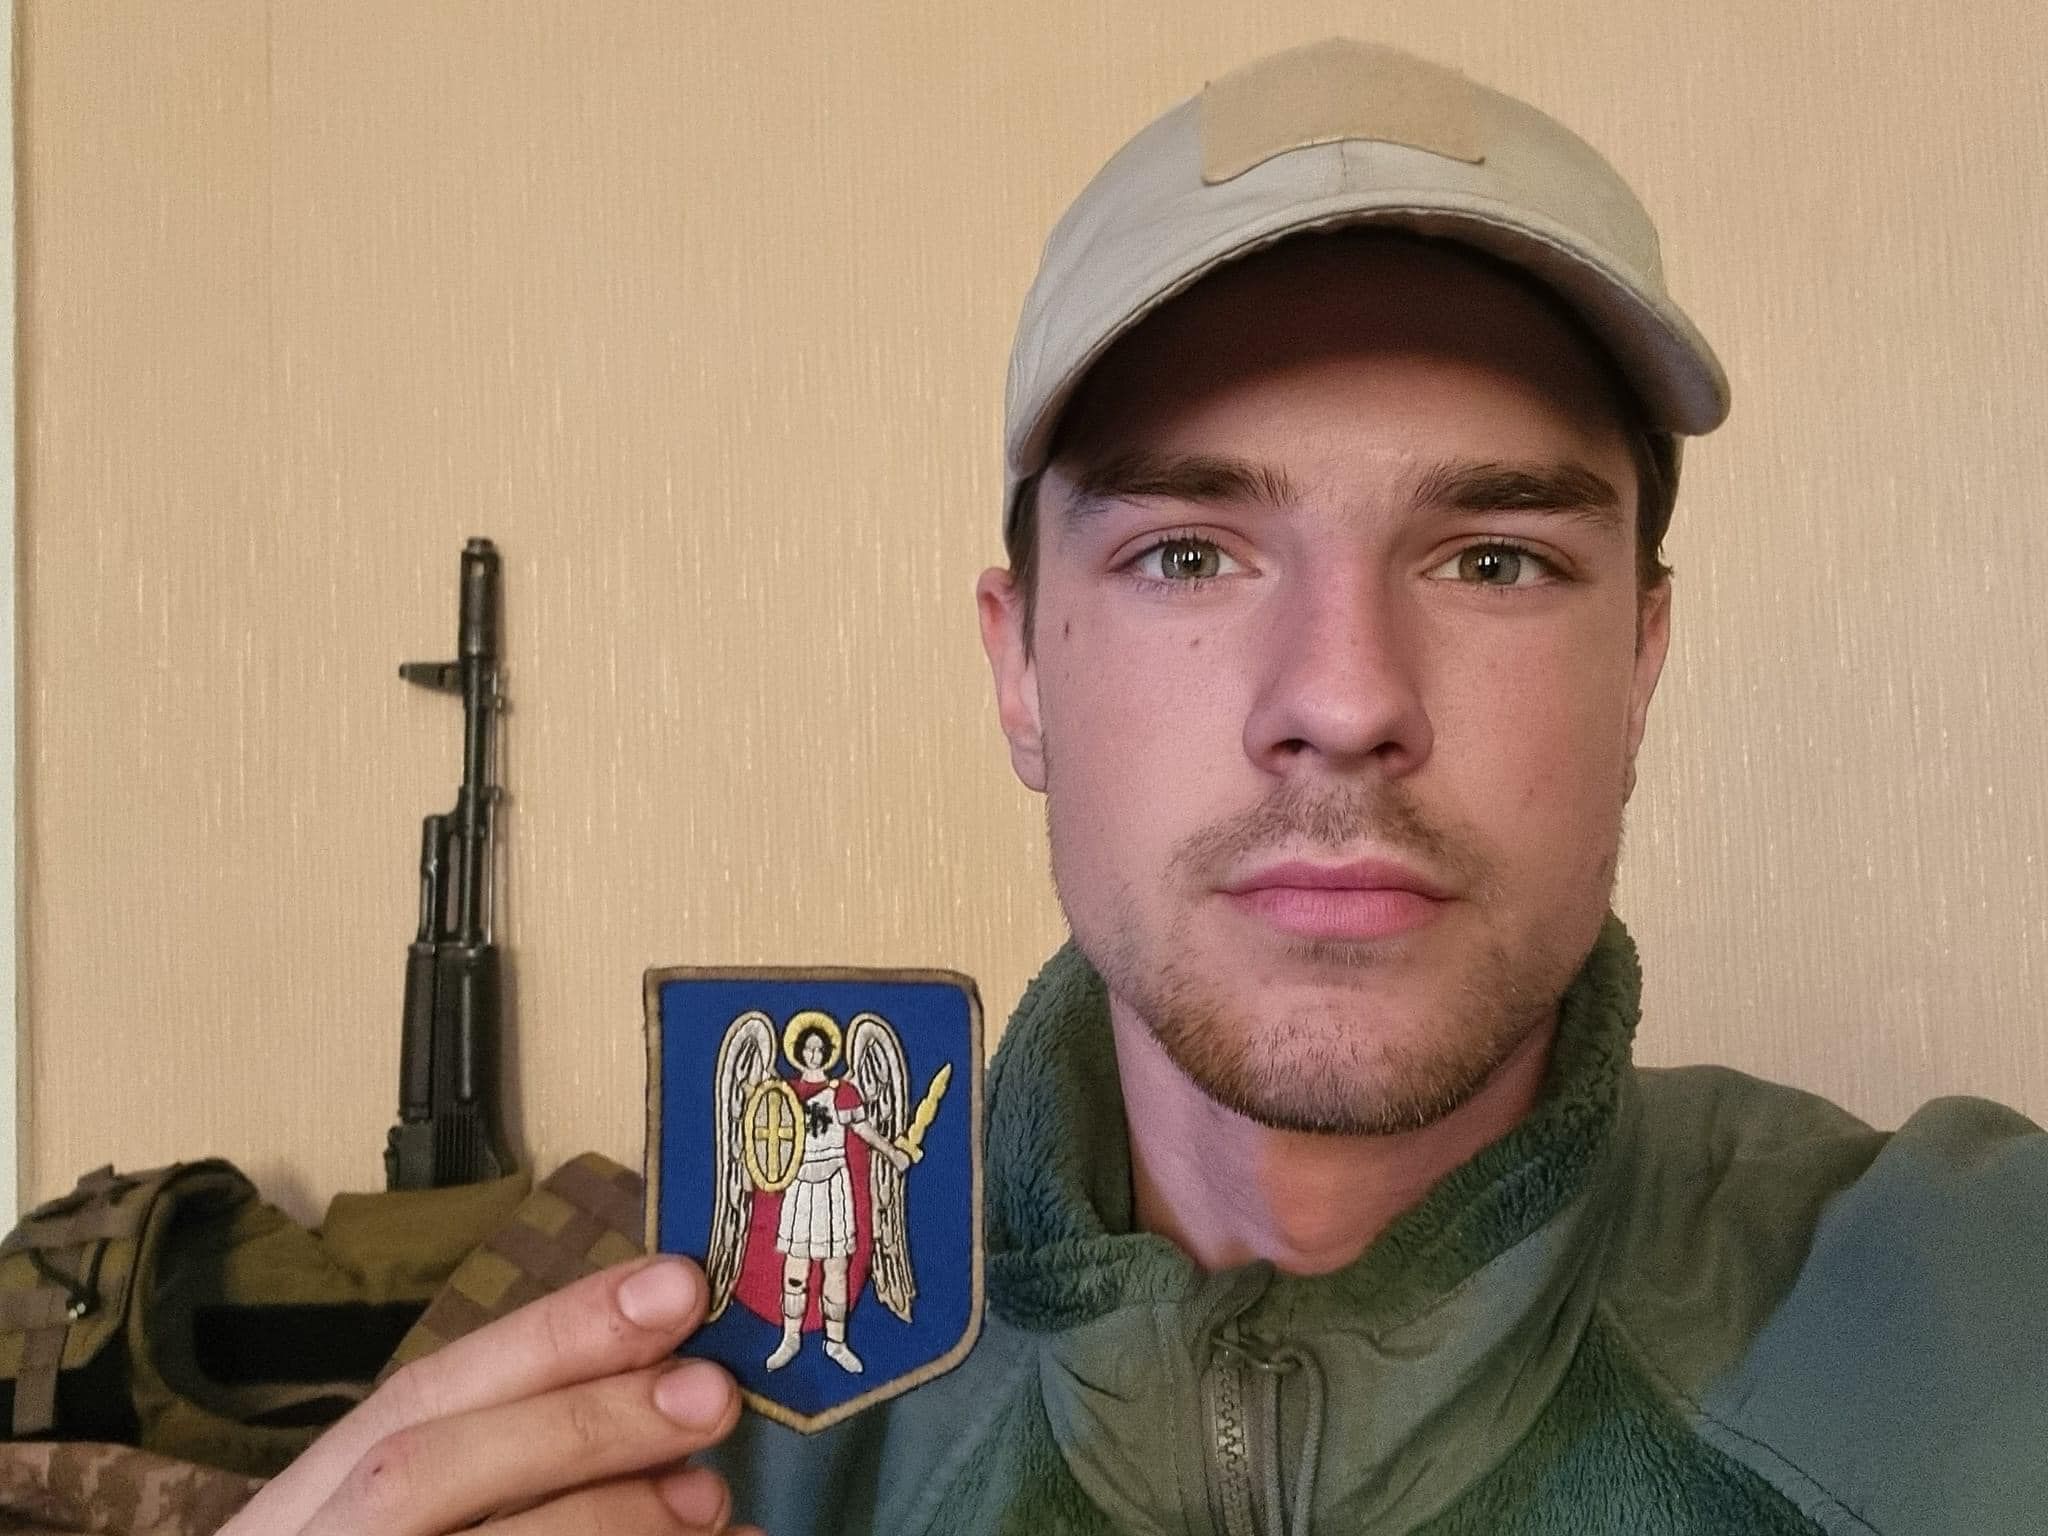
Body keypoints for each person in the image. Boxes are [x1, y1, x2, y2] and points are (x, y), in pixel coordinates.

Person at [223, 37, 2047, 1536]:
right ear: (1020, 667)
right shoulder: (668, 1412)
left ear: (1640, 661)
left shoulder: (1982, 1309)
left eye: (1494, 559)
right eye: (1188, 553)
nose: (1343, 701)